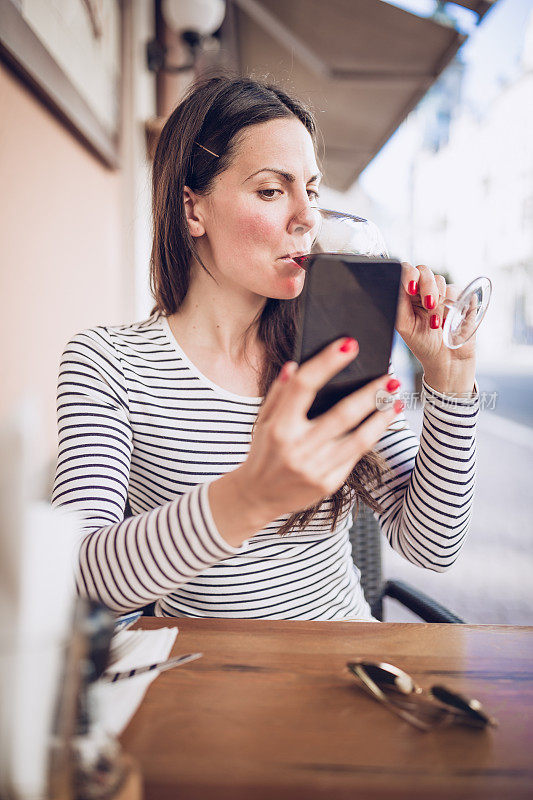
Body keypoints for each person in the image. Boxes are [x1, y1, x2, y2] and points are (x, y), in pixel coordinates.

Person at [52, 76, 478, 621]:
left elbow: (433, 545)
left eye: (312, 190)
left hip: (346, 668)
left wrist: (449, 377)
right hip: (210, 684)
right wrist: (249, 497)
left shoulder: (329, 349)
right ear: (192, 209)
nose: (308, 217)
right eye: (272, 190)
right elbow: (79, 582)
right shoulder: (107, 364)